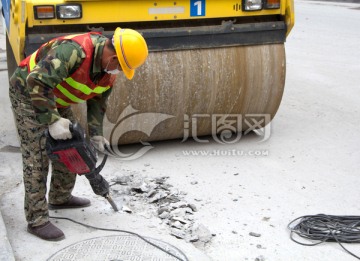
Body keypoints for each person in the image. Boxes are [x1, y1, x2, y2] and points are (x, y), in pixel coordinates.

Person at [9, 27, 148, 241]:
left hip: (57, 97)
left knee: (73, 147)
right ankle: (37, 220)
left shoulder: (108, 71)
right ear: (112, 57)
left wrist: (96, 134)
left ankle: (60, 197)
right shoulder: (73, 51)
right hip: (28, 93)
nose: (118, 72)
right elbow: (36, 81)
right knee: (37, 156)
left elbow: (98, 101)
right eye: (120, 66)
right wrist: (52, 121)